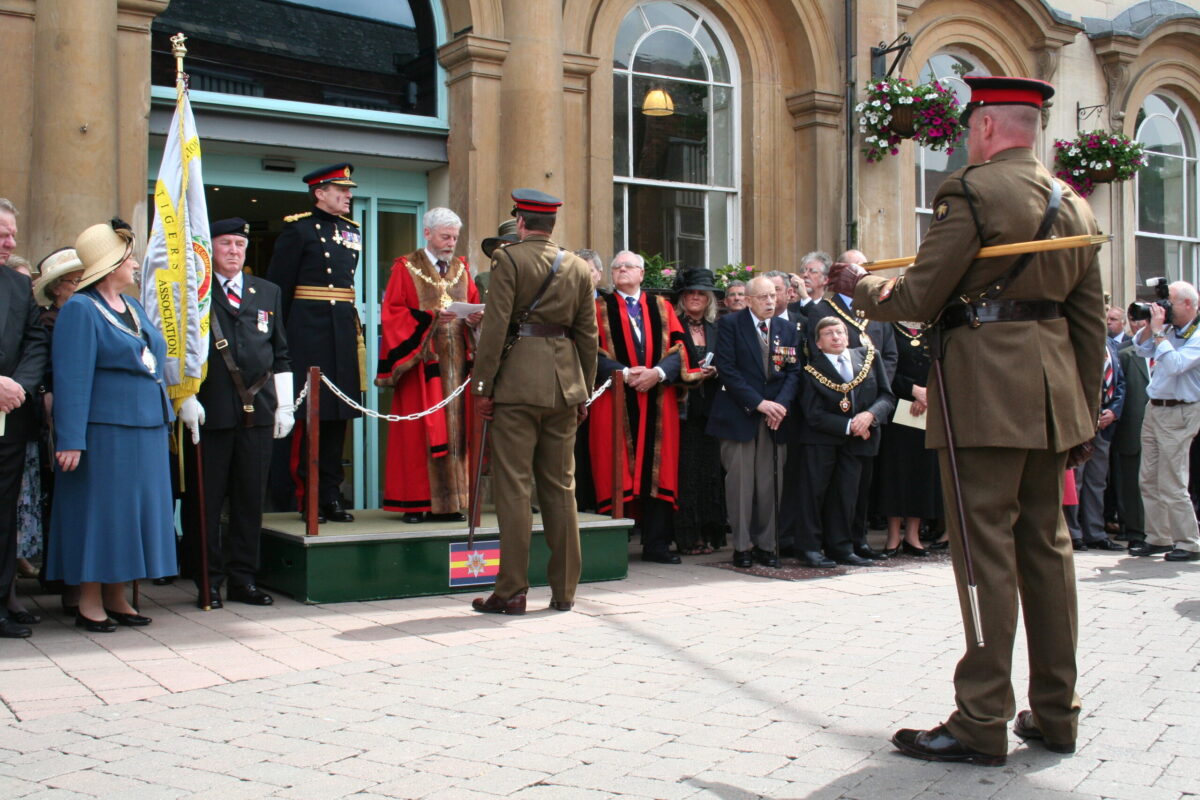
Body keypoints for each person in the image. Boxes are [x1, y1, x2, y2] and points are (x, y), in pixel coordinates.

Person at [830, 76, 1105, 765]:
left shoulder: (971, 190)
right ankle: (1057, 713)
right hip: (1052, 398)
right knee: (1048, 553)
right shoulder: (1074, 202)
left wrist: (860, 285)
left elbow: (920, 295)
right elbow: (1087, 325)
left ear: (984, 126)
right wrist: (1080, 414)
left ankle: (982, 719)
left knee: (986, 556)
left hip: (985, 393)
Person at [469, 189, 597, 615]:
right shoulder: (577, 266)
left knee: (514, 488)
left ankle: (512, 591)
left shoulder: (508, 259)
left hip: (517, 386)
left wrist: (483, 386)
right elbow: (588, 335)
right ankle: (565, 591)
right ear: (551, 225)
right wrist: (583, 391)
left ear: (521, 223)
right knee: (561, 489)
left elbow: (495, 327)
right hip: (564, 386)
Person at [48, 220, 177, 632]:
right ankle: (89, 601)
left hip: (146, 427)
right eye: (129, 258)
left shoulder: (133, 306)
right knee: (101, 514)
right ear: (110, 264)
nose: (135, 264)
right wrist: (70, 438)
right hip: (104, 432)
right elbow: (71, 377)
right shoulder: (80, 309)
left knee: (131, 516)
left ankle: (117, 595)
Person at [181, 218, 292, 610]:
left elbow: (280, 353)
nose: (233, 251)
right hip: (210, 412)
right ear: (210, 248)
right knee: (206, 502)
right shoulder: (196, 291)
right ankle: (208, 580)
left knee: (249, 501)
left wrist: (284, 405)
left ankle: (244, 579)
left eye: (240, 244)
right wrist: (184, 396)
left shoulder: (267, 291)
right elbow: (180, 349)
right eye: (225, 243)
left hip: (257, 413)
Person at [267, 163, 362, 524]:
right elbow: (279, 289)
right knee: (307, 417)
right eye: (341, 190)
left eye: (348, 190)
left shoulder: (351, 230)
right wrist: (279, 341)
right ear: (320, 193)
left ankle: (331, 494)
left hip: (341, 332)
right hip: (307, 332)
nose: (348, 196)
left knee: (337, 417)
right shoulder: (298, 229)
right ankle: (305, 494)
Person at [589, 251, 697, 564]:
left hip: (658, 401)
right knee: (613, 468)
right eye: (617, 267)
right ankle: (612, 547)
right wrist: (623, 373)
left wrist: (658, 373)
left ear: (641, 273)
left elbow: (681, 347)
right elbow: (585, 350)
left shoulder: (662, 307)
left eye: (629, 266)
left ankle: (656, 545)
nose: (622, 270)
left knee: (658, 471)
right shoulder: (597, 308)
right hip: (613, 400)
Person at [376, 208, 482, 524]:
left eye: (454, 237)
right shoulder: (406, 267)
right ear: (427, 234)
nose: (451, 243)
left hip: (457, 367)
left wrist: (475, 319)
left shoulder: (462, 269)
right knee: (418, 435)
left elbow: (474, 303)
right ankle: (415, 503)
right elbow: (392, 313)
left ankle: (451, 503)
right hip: (422, 366)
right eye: (445, 237)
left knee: (457, 435)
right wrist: (431, 319)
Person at [707, 275, 801, 567]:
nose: (770, 301)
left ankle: (767, 545)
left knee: (771, 483)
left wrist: (780, 405)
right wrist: (759, 403)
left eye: (773, 295)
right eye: (763, 297)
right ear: (748, 300)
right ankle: (742, 546)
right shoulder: (730, 324)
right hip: (740, 414)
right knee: (741, 484)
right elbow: (727, 368)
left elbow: (793, 371)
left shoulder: (787, 329)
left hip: (775, 419)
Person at [794, 318, 895, 568]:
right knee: (814, 495)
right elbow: (813, 413)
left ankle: (846, 545)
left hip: (863, 438)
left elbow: (886, 396)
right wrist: (850, 425)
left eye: (839, 332)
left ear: (847, 337)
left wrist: (870, 416)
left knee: (851, 494)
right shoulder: (810, 369)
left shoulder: (869, 357)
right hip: (822, 440)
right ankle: (810, 548)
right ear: (818, 343)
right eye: (828, 334)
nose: (836, 337)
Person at [0, 199, 49, 639]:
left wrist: (18, 386)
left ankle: (2, 599)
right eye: (2, 234)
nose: (11, 242)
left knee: (4, 514)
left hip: (9, 420)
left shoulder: (17, 286)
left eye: (13, 234)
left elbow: (36, 341)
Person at [1130, 281, 1200, 562]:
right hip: (1155, 408)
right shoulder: (1169, 329)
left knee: (1172, 480)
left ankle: (1189, 542)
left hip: (1180, 411)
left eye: (1169, 302)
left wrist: (1159, 332)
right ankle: (1158, 537)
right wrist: (1151, 325)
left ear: (1187, 304)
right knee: (1148, 478)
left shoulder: (1196, 335)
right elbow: (1140, 349)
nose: (1164, 308)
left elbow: (1175, 365)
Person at [671, 268, 726, 556]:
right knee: (686, 472)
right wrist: (690, 373)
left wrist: (717, 371)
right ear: (682, 298)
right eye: (690, 293)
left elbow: (730, 362)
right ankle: (687, 537)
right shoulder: (673, 326)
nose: (695, 297)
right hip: (682, 408)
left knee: (710, 471)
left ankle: (708, 534)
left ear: (709, 300)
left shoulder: (718, 328)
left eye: (701, 294)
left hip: (712, 409)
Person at [874, 322, 940, 557]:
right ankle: (893, 536)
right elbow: (885, 365)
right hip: (897, 408)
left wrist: (927, 395)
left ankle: (913, 535)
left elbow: (941, 366)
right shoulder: (890, 328)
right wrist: (912, 390)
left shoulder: (931, 327)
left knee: (922, 471)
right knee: (895, 472)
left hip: (928, 409)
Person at [1068, 336, 1125, 551]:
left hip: (1104, 425)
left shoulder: (1111, 344)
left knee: (1097, 481)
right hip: (1081, 421)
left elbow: (1120, 383)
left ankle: (1095, 533)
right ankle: (1073, 533)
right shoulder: (1076, 338)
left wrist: (1114, 412)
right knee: (1076, 480)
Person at [1113, 334, 1150, 547]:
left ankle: (1163, 533)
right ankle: (1136, 532)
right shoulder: (1126, 355)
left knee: (1166, 482)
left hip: (1168, 426)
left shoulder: (1177, 352)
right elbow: (1120, 391)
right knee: (1132, 484)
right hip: (1133, 429)